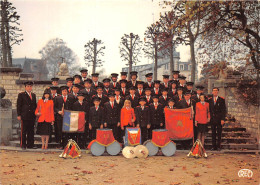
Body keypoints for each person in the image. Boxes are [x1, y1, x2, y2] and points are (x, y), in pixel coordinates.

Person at [17, 81, 37, 150]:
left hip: (32, 115)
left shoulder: (33, 95)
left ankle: (30, 144)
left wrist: (36, 113)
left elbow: (35, 105)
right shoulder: (21, 95)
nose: (29, 87)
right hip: (24, 115)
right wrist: (19, 114)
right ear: (25, 87)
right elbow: (19, 105)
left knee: (31, 130)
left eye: (30, 86)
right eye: (28, 86)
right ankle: (23, 145)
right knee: (24, 131)